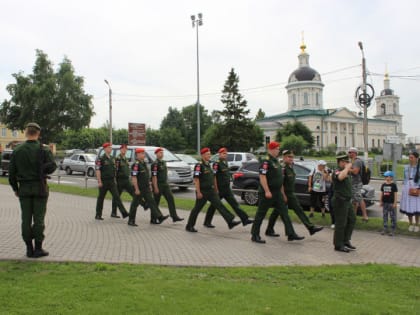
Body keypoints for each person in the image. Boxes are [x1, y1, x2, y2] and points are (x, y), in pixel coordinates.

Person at [8, 122, 57, 258]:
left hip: (24, 189)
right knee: (39, 220)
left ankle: (29, 248)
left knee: (25, 219)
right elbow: (53, 167)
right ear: (38, 133)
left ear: (26, 132)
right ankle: (38, 248)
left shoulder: (17, 150)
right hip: (40, 188)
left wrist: (15, 188)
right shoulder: (44, 149)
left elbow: (11, 174)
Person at [250, 142, 304, 244]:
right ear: (271, 149)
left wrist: (282, 193)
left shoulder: (276, 162)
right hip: (267, 192)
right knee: (261, 214)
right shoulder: (266, 161)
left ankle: (291, 234)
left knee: (284, 213)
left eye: (278, 149)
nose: (278, 151)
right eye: (277, 149)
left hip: (277, 192)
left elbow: (279, 178)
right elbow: (262, 176)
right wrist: (266, 190)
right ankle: (255, 234)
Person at [265, 150, 323, 238]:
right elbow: (280, 183)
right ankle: (309, 227)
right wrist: (283, 195)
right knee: (297, 209)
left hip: (290, 192)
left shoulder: (290, 166)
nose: (291, 159)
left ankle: (269, 230)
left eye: (292, 157)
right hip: (285, 193)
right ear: (284, 157)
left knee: (277, 212)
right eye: (289, 157)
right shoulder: (283, 168)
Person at [185, 147, 241, 232]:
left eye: (209, 154)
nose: (209, 155)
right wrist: (198, 192)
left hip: (211, 191)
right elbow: (196, 179)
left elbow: (213, 177)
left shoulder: (209, 165)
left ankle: (230, 221)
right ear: (203, 155)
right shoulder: (199, 166)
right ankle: (189, 226)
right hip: (203, 192)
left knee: (219, 205)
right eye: (207, 154)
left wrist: (215, 188)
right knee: (197, 209)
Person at [203, 147, 253, 228]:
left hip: (226, 189)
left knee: (235, 204)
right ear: (219, 154)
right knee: (214, 206)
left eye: (226, 153)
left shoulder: (225, 162)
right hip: (220, 189)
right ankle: (207, 222)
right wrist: (216, 189)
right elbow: (214, 177)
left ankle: (245, 219)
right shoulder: (217, 163)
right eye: (223, 153)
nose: (225, 155)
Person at [128, 148, 169, 226]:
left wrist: (150, 185)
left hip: (146, 188)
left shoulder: (144, 163)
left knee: (152, 202)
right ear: (137, 155)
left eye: (144, 153)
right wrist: (136, 189)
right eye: (142, 153)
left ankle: (159, 217)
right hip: (139, 188)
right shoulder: (136, 165)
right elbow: (134, 177)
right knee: (135, 204)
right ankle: (131, 220)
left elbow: (147, 176)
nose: (144, 155)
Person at [111, 144, 148, 218]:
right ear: (120, 150)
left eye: (125, 149)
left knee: (134, 193)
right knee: (117, 196)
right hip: (120, 180)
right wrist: (115, 180)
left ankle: (144, 204)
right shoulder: (118, 159)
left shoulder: (125, 158)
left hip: (126, 180)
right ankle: (113, 212)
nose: (124, 150)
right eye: (123, 149)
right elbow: (115, 170)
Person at [95, 143, 129, 220]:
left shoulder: (113, 158)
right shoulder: (101, 159)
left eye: (111, 147)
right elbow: (98, 170)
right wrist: (99, 181)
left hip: (111, 181)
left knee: (117, 197)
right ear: (105, 149)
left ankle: (124, 212)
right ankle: (98, 214)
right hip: (104, 181)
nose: (110, 149)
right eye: (109, 147)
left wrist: (115, 179)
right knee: (101, 198)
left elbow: (115, 170)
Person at [151, 147, 184, 222]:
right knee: (156, 201)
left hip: (165, 184)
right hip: (158, 184)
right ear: (156, 154)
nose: (162, 154)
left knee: (170, 199)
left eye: (162, 152)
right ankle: (153, 218)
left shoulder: (163, 162)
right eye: (160, 153)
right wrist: (155, 187)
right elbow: (154, 176)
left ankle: (174, 216)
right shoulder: (155, 164)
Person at [332, 154, 356, 253]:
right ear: (339, 162)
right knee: (341, 223)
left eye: (347, 162)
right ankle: (338, 244)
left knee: (352, 219)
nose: (346, 163)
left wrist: (349, 167)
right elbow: (340, 177)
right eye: (344, 162)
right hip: (340, 200)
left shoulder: (347, 172)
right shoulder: (337, 171)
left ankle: (346, 240)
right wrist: (346, 168)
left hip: (347, 200)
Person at [399, 150, 420, 232]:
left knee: (417, 206)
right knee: (409, 206)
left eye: (412, 157)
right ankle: (410, 224)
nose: (410, 159)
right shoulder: (406, 167)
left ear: (416, 158)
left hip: (416, 187)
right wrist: (405, 185)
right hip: (407, 187)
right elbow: (405, 178)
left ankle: (417, 225)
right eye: (409, 157)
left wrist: (418, 187)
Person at [348, 147, 369, 222]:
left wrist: (346, 169)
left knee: (359, 199)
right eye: (349, 152)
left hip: (357, 183)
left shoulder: (357, 161)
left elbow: (355, 172)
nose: (349, 153)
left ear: (354, 153)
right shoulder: (352, 161)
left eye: (350, 152)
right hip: (353, 183)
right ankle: (354, 216)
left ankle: (365, 216)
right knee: (354, 201)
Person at [379, 171, 398, 236]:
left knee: (392, 216)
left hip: (391, 203)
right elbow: (381, 193)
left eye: (388, 176)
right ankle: (385, 228)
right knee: (385, 216)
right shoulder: (383, 184)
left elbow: (395, 194)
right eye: (386, 176)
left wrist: (395, 203)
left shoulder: (393, 185)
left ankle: (393, 229)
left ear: (391, 177)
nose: (387, 178)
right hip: (385, 203)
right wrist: (381, 201)